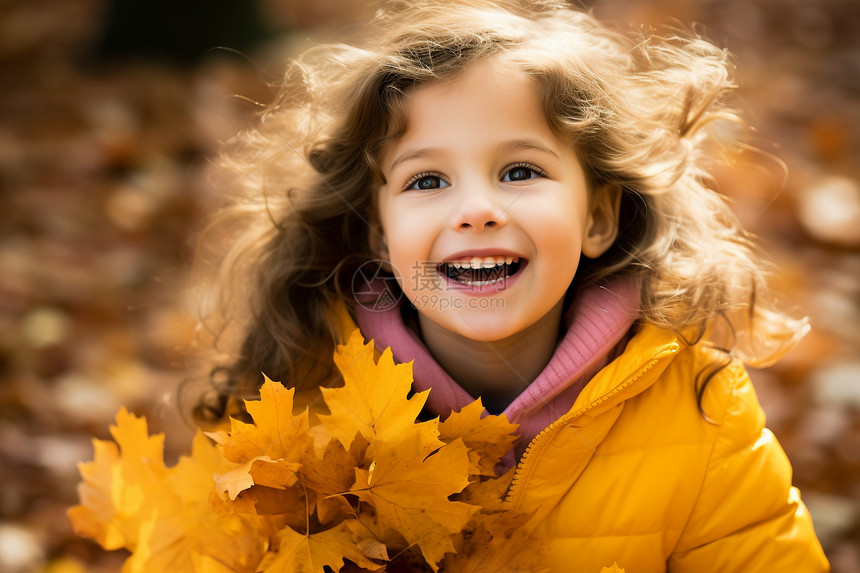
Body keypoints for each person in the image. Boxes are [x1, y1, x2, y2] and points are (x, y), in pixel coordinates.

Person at [192, 0, 829, 570]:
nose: (475, 210)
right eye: (427, 181)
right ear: (378, 236)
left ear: (598, 217)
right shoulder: (296, 402)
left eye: (520, 170)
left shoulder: (699, 414)